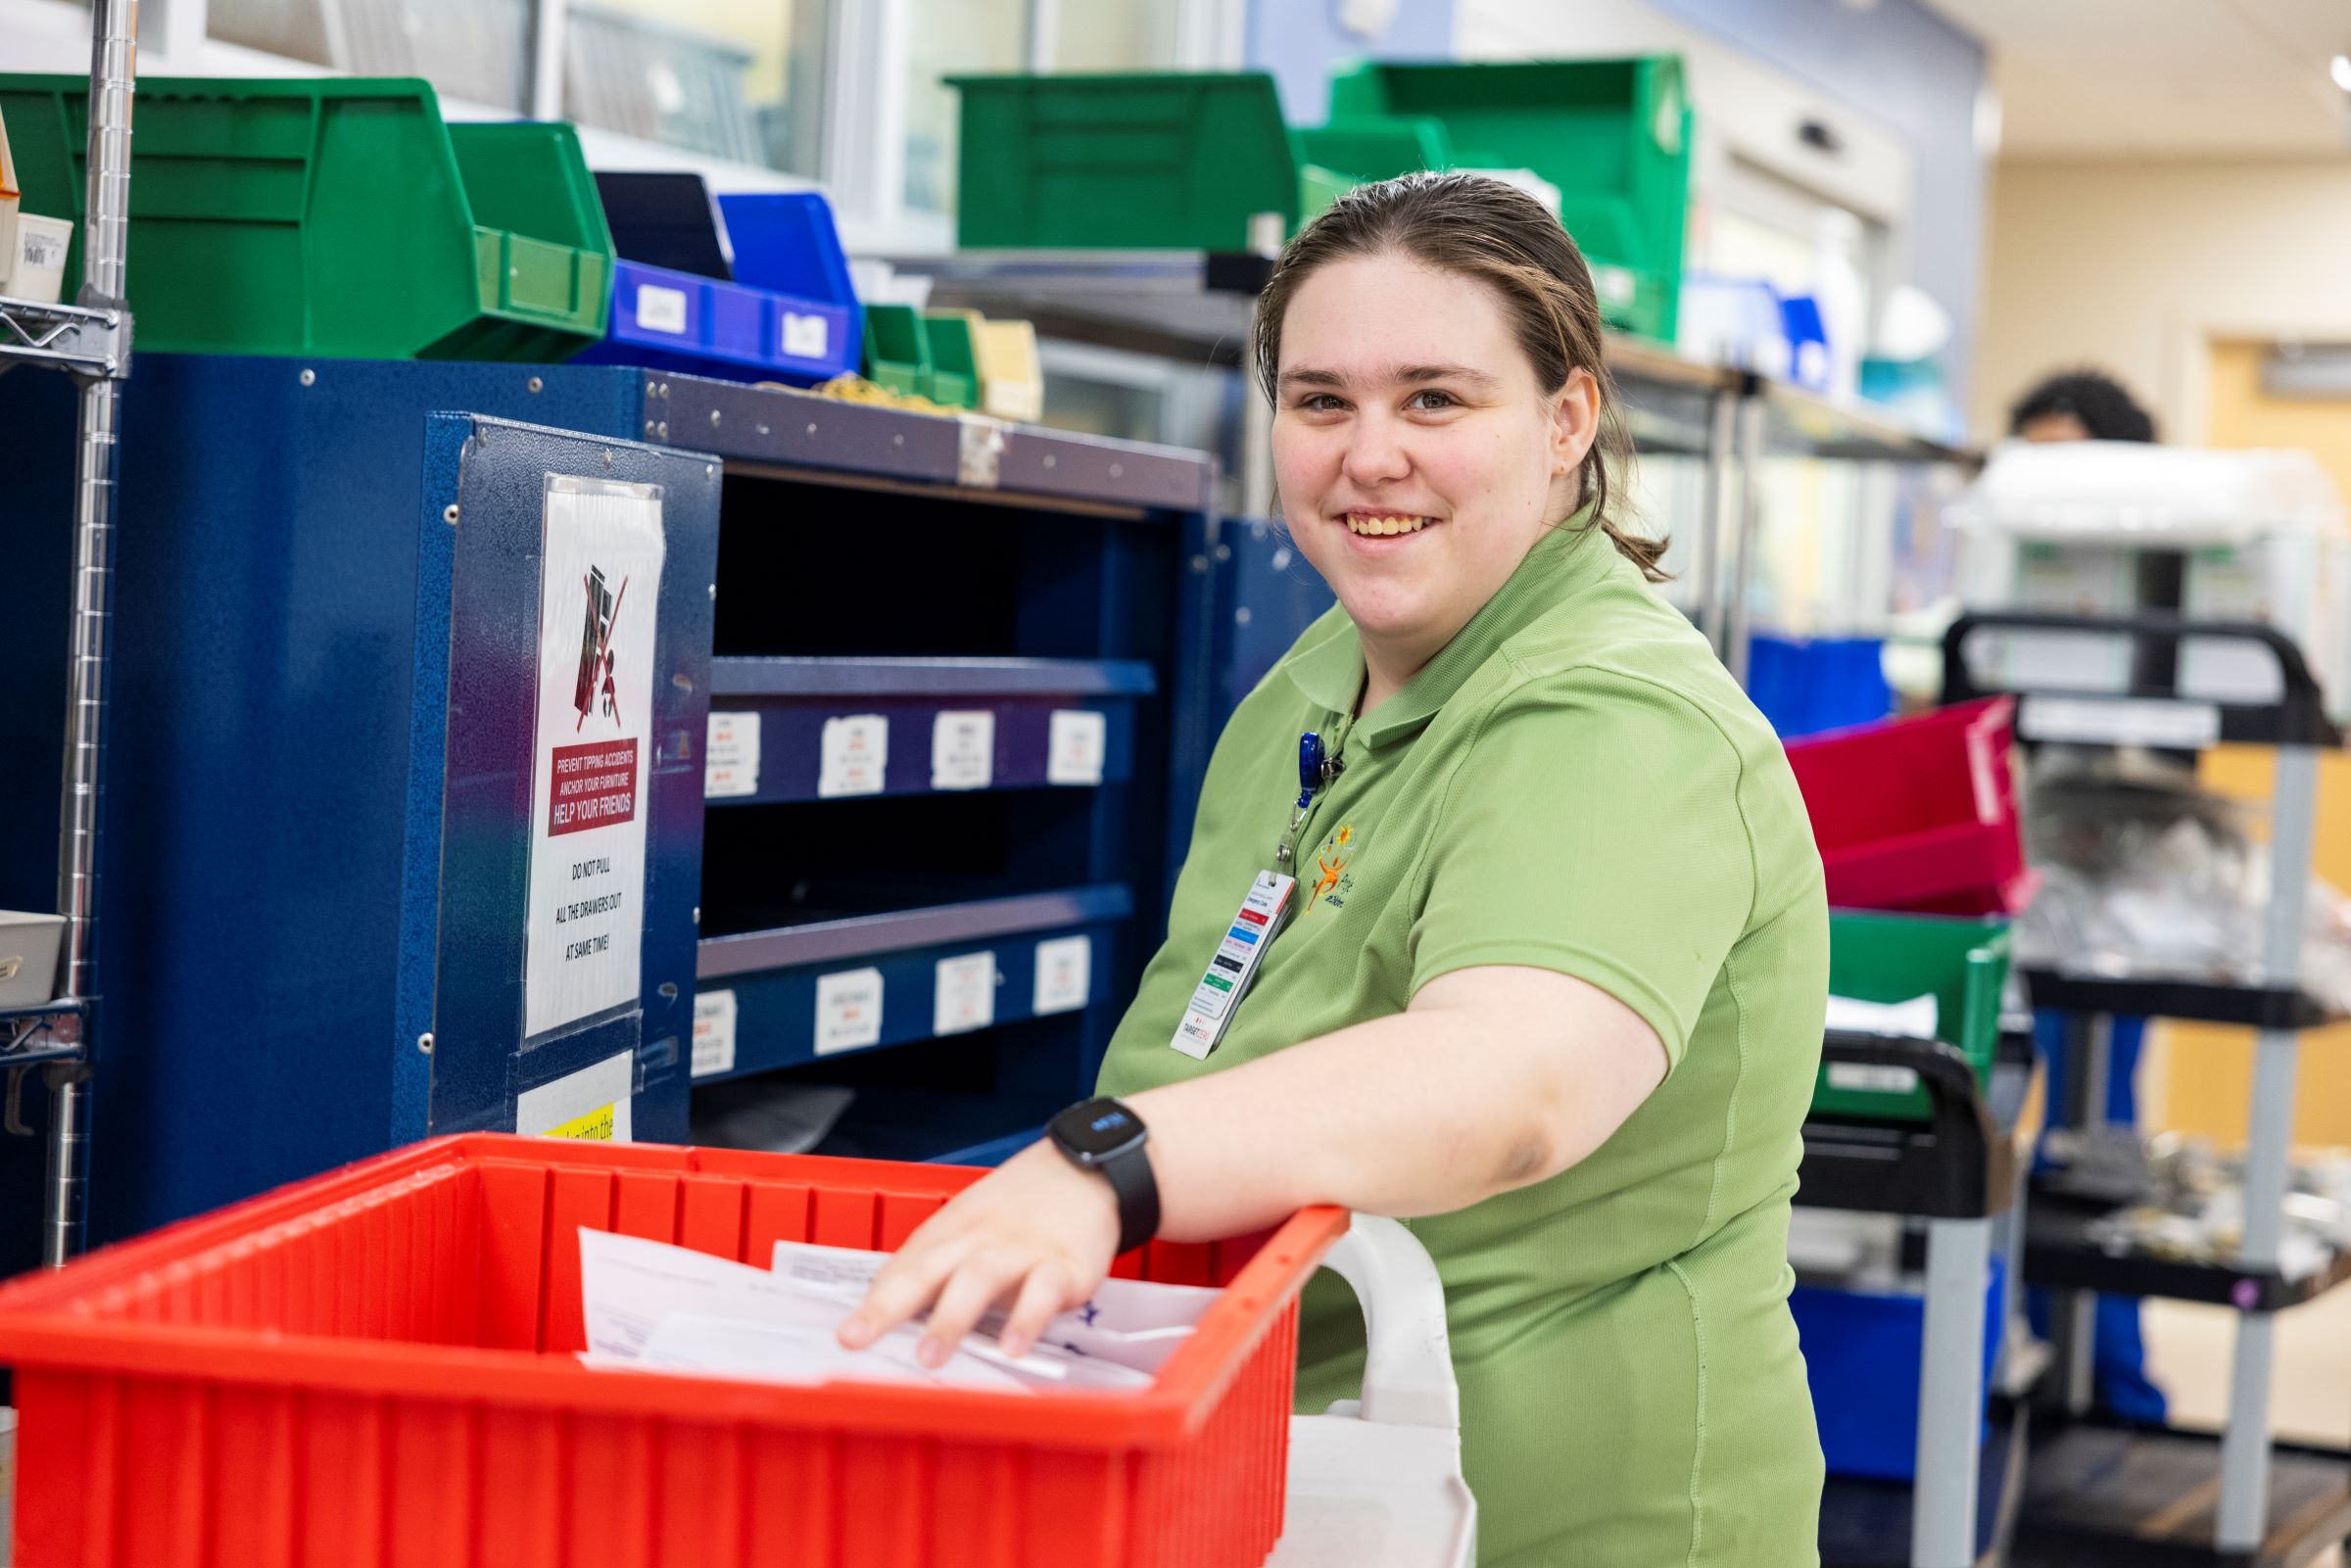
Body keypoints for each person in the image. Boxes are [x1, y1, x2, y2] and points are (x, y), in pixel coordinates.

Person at [842, 172, 1832, 1565]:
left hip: (1546, 1520)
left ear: (1567, 421)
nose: (1370, 455)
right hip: (1285, 1478)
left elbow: (1511, 1087)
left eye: (1435, 399)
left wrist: (1102, 1167)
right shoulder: (1313, 689)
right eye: (1321, 402)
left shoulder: (1621, 717)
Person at [2007, 366, 2171, 1425]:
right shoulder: (2013, 586)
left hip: (2117, 907)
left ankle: (2118, 1393)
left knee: (2097, 1138)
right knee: (2016, 1140)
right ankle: (2044, 1376)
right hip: (2020, 897)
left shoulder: (2160, 596)